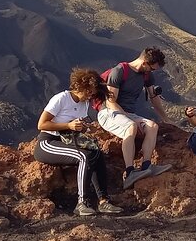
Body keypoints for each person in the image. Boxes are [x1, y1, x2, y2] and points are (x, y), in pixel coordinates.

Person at [34, 68, 123, 216]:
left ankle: (103, 201)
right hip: (47, 143)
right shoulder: (61, 98)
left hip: (68, 140)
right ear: (81, 86)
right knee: (83, 156)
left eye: (92, 94)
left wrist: (83, 128)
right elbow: (42, 124)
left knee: (96, 153)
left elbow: (76, 127)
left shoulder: (84, 104)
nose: (90, 96)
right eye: (89, 92)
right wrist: (68, 125)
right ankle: (82, 202)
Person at [97, 47, 172, 190]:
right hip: (109, 112)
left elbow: (153, 97)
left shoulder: (147, 76)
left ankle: (146, 166)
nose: (152, 72)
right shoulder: (119, 71)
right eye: (152, 68)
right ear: (144, 63)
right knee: (130, 127)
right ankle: (130, 172)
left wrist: (165, 118)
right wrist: (127, 118)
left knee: (152, 126)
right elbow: (111, 101)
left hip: (128, 114)